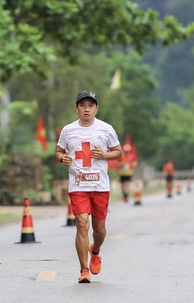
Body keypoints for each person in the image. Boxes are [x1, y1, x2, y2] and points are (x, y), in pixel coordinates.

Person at [55, 90, 122, 283]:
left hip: (100, 186)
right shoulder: (68, 130)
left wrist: (104, 155)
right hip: (78, 185)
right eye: (83, 106)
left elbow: (118, 152)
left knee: (99, 229)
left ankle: (96, 250)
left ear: (96, 108)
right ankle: (84, 270)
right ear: (76, 108)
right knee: (82, 223)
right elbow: (59, 152)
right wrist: (63, 158)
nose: (87, 109)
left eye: (90, 106)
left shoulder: (106, 129)